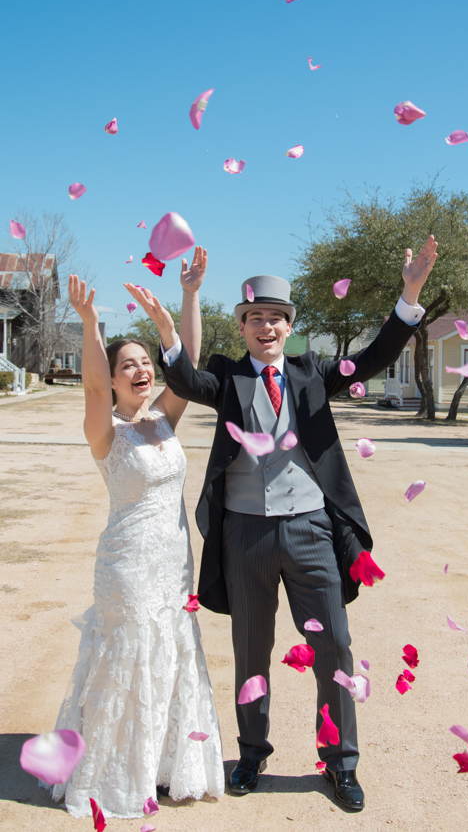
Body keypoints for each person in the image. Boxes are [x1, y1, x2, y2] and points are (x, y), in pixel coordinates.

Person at [128, 234, 438, 812]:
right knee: (251, 649)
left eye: (275, 319)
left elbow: (373, 358)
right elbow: (186, 381)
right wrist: (177, 319)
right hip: (244, 533)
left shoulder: (314, 373)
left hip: (310, 531)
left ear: (288, 326)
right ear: (241, 326)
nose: (265, 328)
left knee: (335, 648)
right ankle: (251, 753)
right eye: (254, 319)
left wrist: (410, 292)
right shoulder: (227, 378)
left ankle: (340, 763)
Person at [50, 248, 224, 819]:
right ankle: (113, 773)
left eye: (144, 361)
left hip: (175, 565)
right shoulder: (107, 432)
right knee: (130, 656)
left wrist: (188, 298)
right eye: (128, 364)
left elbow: (188, 367)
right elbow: (95, 391)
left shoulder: (163, 419)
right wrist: (93, 325)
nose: (140, 370)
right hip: (126, 568)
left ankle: (163, 768)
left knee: (172, 653)